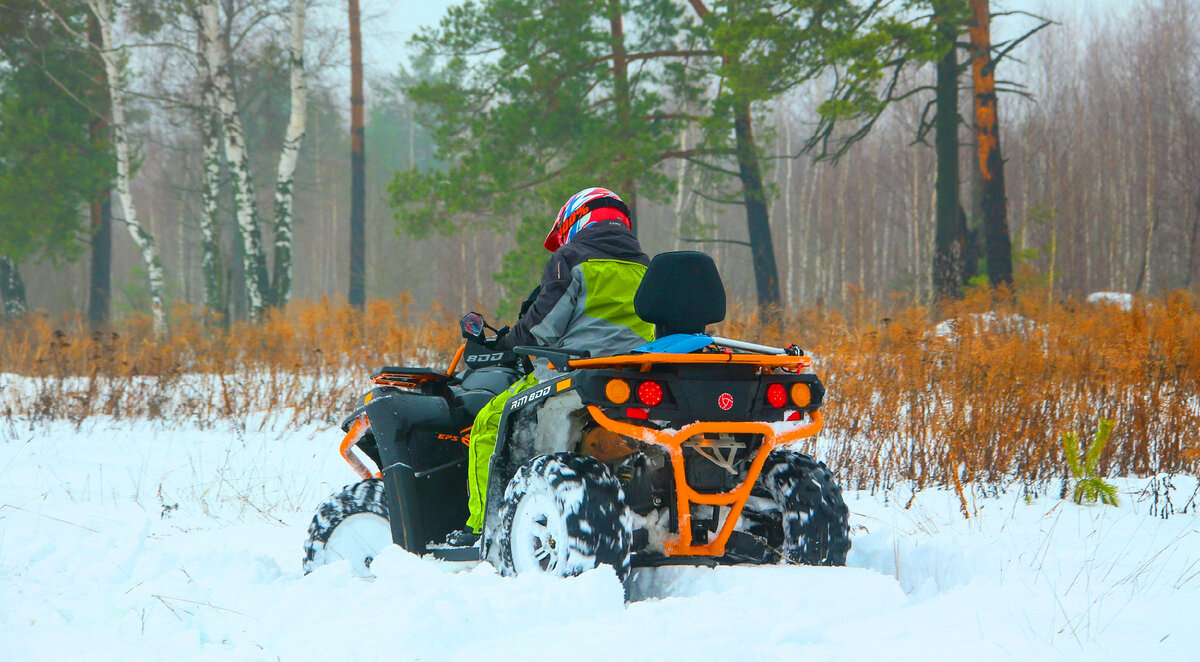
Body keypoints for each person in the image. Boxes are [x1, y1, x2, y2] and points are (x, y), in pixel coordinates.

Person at [448, 187, 654, 545]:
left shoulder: (570, 258)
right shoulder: (646, 267)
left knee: (487, 424)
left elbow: (542, 326)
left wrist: (508, 342)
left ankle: (482, 528)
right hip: (633, 377)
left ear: (576, 220)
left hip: (568, 373)